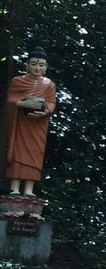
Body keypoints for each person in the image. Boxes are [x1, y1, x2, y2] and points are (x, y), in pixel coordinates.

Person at [5, 48, 57, 196]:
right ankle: (14, 187)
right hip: (21, 123)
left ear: (46, 68)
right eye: (33, 64)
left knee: (35, 154)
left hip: (38, 124)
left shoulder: (49, 84)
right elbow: (11, 99)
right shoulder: (17, 81)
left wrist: (44, 111)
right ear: (27, 65)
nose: (37, 68)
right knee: (17, 152)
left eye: (41, 65)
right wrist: (22, 104)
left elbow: (51, 103)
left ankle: (29, 189)